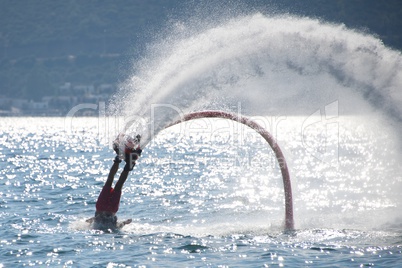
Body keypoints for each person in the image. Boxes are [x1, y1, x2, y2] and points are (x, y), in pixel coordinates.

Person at [86, 134, 142, 230]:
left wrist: (125, 222)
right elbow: (91, 220)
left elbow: (116, 225)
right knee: (110, 180)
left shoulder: (106, 227)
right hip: (101, 206)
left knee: (119, 185)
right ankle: (118, 160)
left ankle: (128, 165)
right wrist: (87, 222)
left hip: (111, 210)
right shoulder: (97, 224)